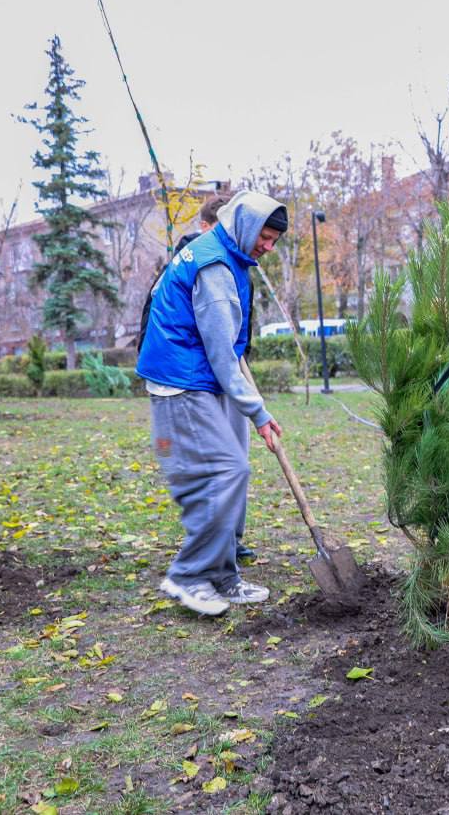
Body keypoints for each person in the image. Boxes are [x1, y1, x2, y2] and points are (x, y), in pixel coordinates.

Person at [137, 190, 286, 616]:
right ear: (243, 225)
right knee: (224, 472)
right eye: (265, 237)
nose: (268, 247)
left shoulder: (223, 251)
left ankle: (223, 577)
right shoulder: (215, 265)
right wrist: (257, 411)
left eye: (274, 241)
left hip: (201, 377)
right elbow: (221, 352)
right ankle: (188, 576)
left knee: (233, 470)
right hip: (183, 381)